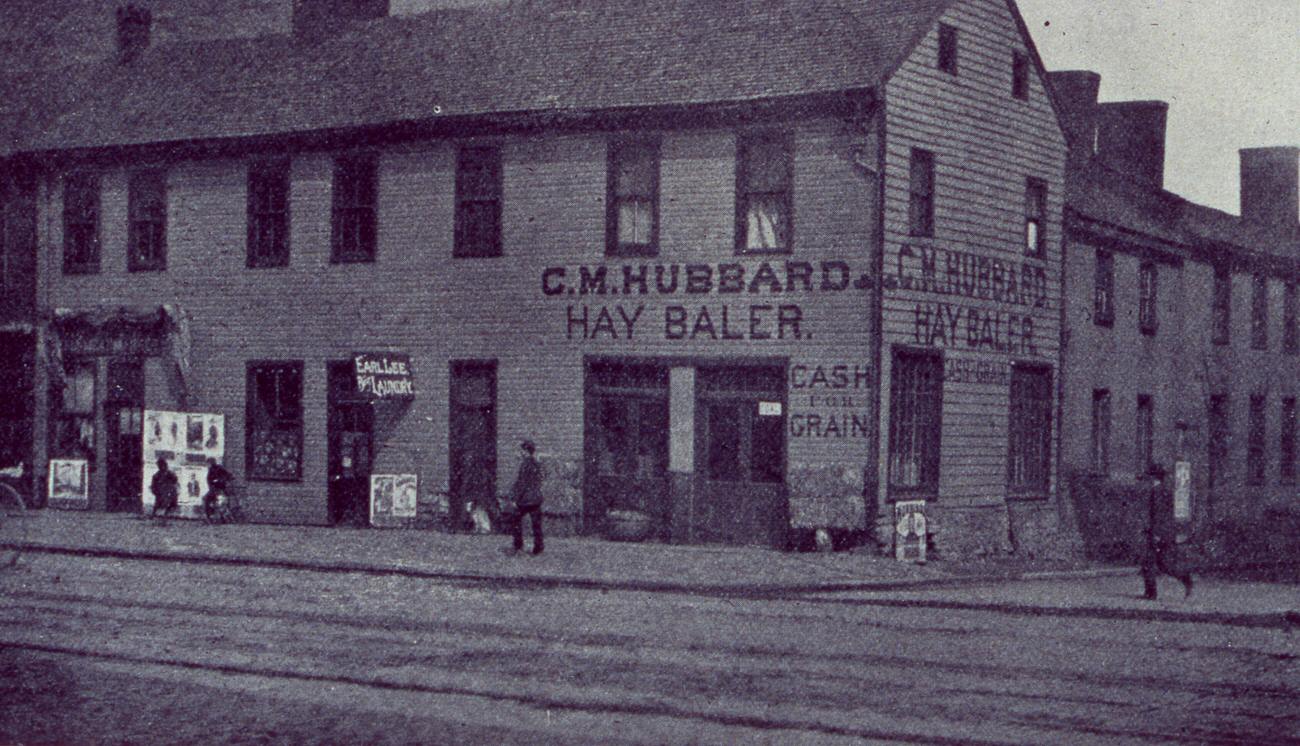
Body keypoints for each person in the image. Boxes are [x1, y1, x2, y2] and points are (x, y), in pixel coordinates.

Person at [1140, 463, 1193, 599]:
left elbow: (1158, 514)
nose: (1146, 479)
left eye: (1148, 476)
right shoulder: (1165, 490)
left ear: (1153, 477)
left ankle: (1151, 593)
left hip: (1158, 533)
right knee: (1163, 563)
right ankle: (1185, 578)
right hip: (1166, 532)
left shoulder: (1157, 491)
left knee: (1149, 562)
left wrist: (1156, 533)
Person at [510, 440, 544, 555]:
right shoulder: (536, 463)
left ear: (525, 451)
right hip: (536, 498)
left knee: (515, 520)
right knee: (536, 524)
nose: (520, 453)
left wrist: (515, 499)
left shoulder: (525, 464)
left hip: (525, 499)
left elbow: (522, 483)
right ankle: (538, 547)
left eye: (521, 450)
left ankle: (518, 545)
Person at [203, 457, 234, 522]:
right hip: (213, 489)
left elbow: (229, 475)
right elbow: (209, 480)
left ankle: (211, 515)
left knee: (208, 499)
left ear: (212, 463)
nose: (208, 465)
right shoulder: (210, 470)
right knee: (207, 500)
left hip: (219, 488)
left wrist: (220, 480)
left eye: (209, 463)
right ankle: (210, 515)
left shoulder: (219, 468)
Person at [149, 458, 179, 524]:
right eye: (159, 465)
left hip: (168, 491)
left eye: (161, 465)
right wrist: (155, 490)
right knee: (158, 504)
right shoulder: (157, 474)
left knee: (167, 505)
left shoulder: (169, 473)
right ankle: (155, 515)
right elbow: (154, 483)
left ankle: (164, 517)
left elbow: (175, 479)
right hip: (161, 492)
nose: (160, 467)